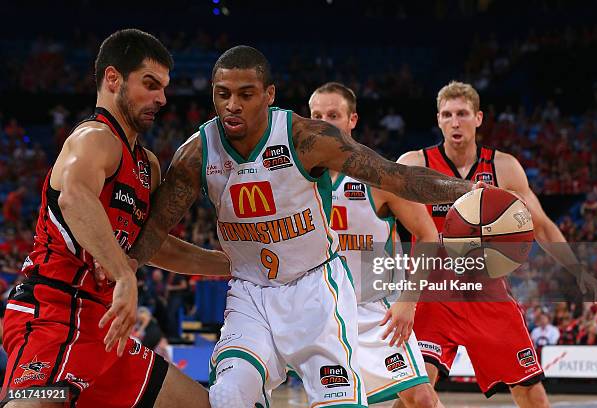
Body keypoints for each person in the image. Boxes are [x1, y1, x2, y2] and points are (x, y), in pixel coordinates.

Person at [129, 46, 481, 408]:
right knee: (231, 396)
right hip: (251, 292)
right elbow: (152, 235)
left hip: (316, 290)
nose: (233, 104)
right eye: (223, 94)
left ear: (269, 96)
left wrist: (465, 190)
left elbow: (399, 177)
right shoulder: (198, 154)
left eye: (245, 94)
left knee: (388, 399)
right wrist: (123, 276)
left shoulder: (305, 139)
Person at [1, 29, 229, 408]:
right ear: (113, 79)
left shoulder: (146, 165)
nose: (162, 98)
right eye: (150, 84)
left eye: (164, 88)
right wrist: (124, 273)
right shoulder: (93, 138)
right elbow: (74, 198)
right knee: (34, 402)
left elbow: (152, 243)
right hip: (54, 315)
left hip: (106, 330)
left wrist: (231, 264)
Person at [399, 81, 597, 407]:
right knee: (417, 395)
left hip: (488, 294)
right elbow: (380, 207)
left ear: (478, 118)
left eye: (463, 114)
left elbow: (541, 225)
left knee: (533, 397)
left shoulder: (504, 168)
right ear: (438, 119)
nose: (456, 122)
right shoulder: (414, 163)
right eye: (448, 115)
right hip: (432, 295)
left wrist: (577, 269)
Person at [309, 82, 442, 408]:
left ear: (353, 120)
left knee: (421, 398)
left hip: (375, 310)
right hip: (321, 314)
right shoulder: (296, 177)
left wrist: (407, 302)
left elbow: (428, 236)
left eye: (334, 115)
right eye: (316, 115)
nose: (325, 122)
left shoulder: (381, 176)